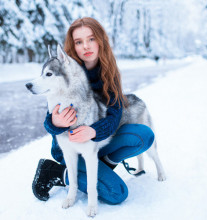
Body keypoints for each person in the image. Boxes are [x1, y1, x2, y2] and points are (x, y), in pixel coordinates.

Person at [32, 17, 155, 205]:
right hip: (70, 148)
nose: (86, 46)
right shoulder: (65, 72)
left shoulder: (109, 73)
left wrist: (95, 131)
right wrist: (55, 122)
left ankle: (104, 164)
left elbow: (115, 115)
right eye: (78, 42)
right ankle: (55, 171)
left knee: (144, 135)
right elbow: (50, 119)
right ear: (73, 46)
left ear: (100, 41)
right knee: (117, 193)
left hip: (98, 143)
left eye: (91, 39)